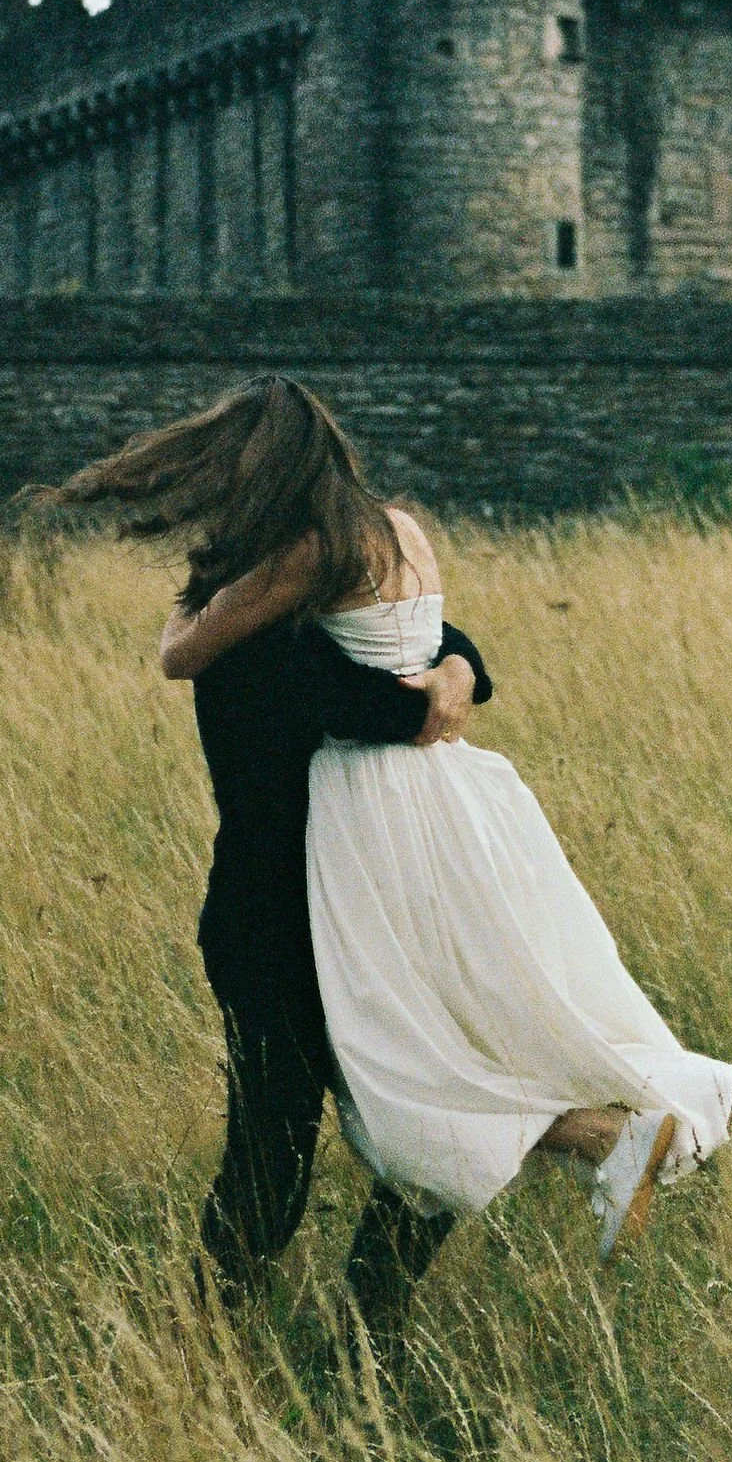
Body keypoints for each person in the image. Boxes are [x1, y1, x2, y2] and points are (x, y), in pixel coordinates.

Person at [68, 379, 732, 1353]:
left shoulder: (287, 578)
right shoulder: (390, 532)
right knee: (450, 1068)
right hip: (429, 840)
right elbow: (431, 650)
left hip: (311, 893)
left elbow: (251, 672)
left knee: (372, 1113)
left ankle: (234, 1341)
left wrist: (429, 687)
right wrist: (450, 677)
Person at [59, 381, 494, 1365]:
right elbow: (386, 697)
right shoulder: (256, 647)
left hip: (344, 908)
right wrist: (453, 676)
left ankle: (342, 1333)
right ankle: (207, 1347)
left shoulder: (270, 603)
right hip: (278, 920)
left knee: (398, 1123)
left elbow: (412, 661)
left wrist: (456, 665)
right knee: (272, 1152)